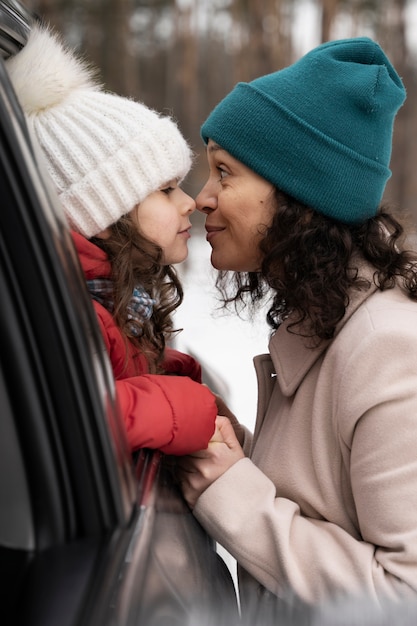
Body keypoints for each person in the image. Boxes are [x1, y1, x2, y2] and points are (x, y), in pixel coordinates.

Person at [178, 36, 417, 621]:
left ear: (295, 196)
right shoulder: (323, 317)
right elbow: (330, 505)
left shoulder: (387, 347)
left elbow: (403, 597)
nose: (200, 198)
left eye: (224, 173)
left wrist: (230, 490)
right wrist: (239, 453)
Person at [5, 23, 218, 456]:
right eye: (165, 189)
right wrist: (180, 406)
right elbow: (65, 417)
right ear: (103, 215)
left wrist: (168, 370)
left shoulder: (114, 300)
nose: (189, 203)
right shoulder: (76, 316)